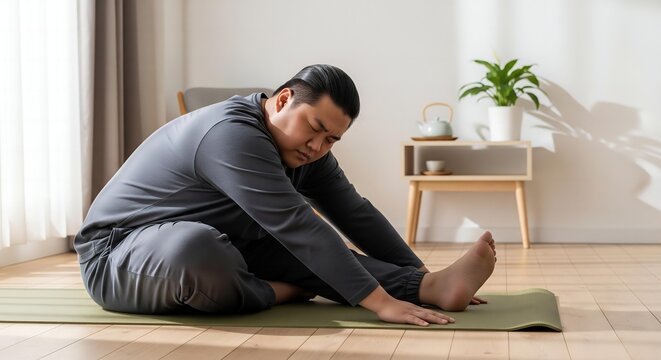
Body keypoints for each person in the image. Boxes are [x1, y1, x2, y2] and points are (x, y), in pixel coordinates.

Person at [73, 64, 497, 327]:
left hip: (230, 244)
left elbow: (354, 212)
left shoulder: (304, 153)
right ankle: (280, 290)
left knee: (288, 248)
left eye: (332, 139)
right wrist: (380, 304)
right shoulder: (231, 134)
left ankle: (433, 288)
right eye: (314, 128)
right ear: (282, 100)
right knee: (201, 248)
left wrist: (417, 274)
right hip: (119, 256)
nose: (318, 146)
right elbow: (298, 223)